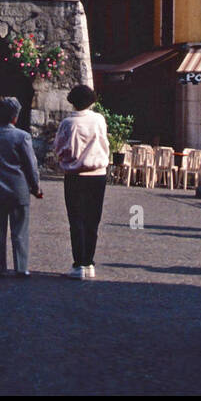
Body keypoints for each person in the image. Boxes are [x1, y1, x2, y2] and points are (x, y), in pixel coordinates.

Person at [0, 97, 42, 277]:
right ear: (15, 117)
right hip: (18, 189)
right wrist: (36, 187)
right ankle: (21, 267)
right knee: (20, 231)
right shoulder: (22, 137)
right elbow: (31, 165)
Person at [53, 85, 110, 280]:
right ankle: (89, 262)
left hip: (75, 175)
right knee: (93, 220)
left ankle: (78, 264)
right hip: (98, 174)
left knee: (76, 220)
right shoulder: (99, 120)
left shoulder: (68, 123)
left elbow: (58, 148)